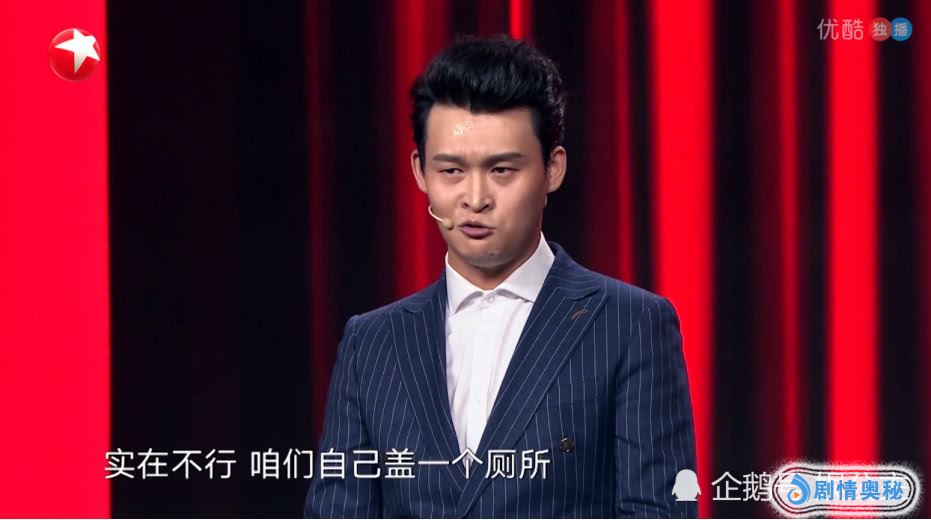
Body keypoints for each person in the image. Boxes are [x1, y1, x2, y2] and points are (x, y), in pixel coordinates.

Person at [304, 34, 697, 518]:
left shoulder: (631, 324)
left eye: (502, 170)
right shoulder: (371, 343)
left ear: (552, 169)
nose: (475, 198)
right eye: (451, 171)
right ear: (420, 172)